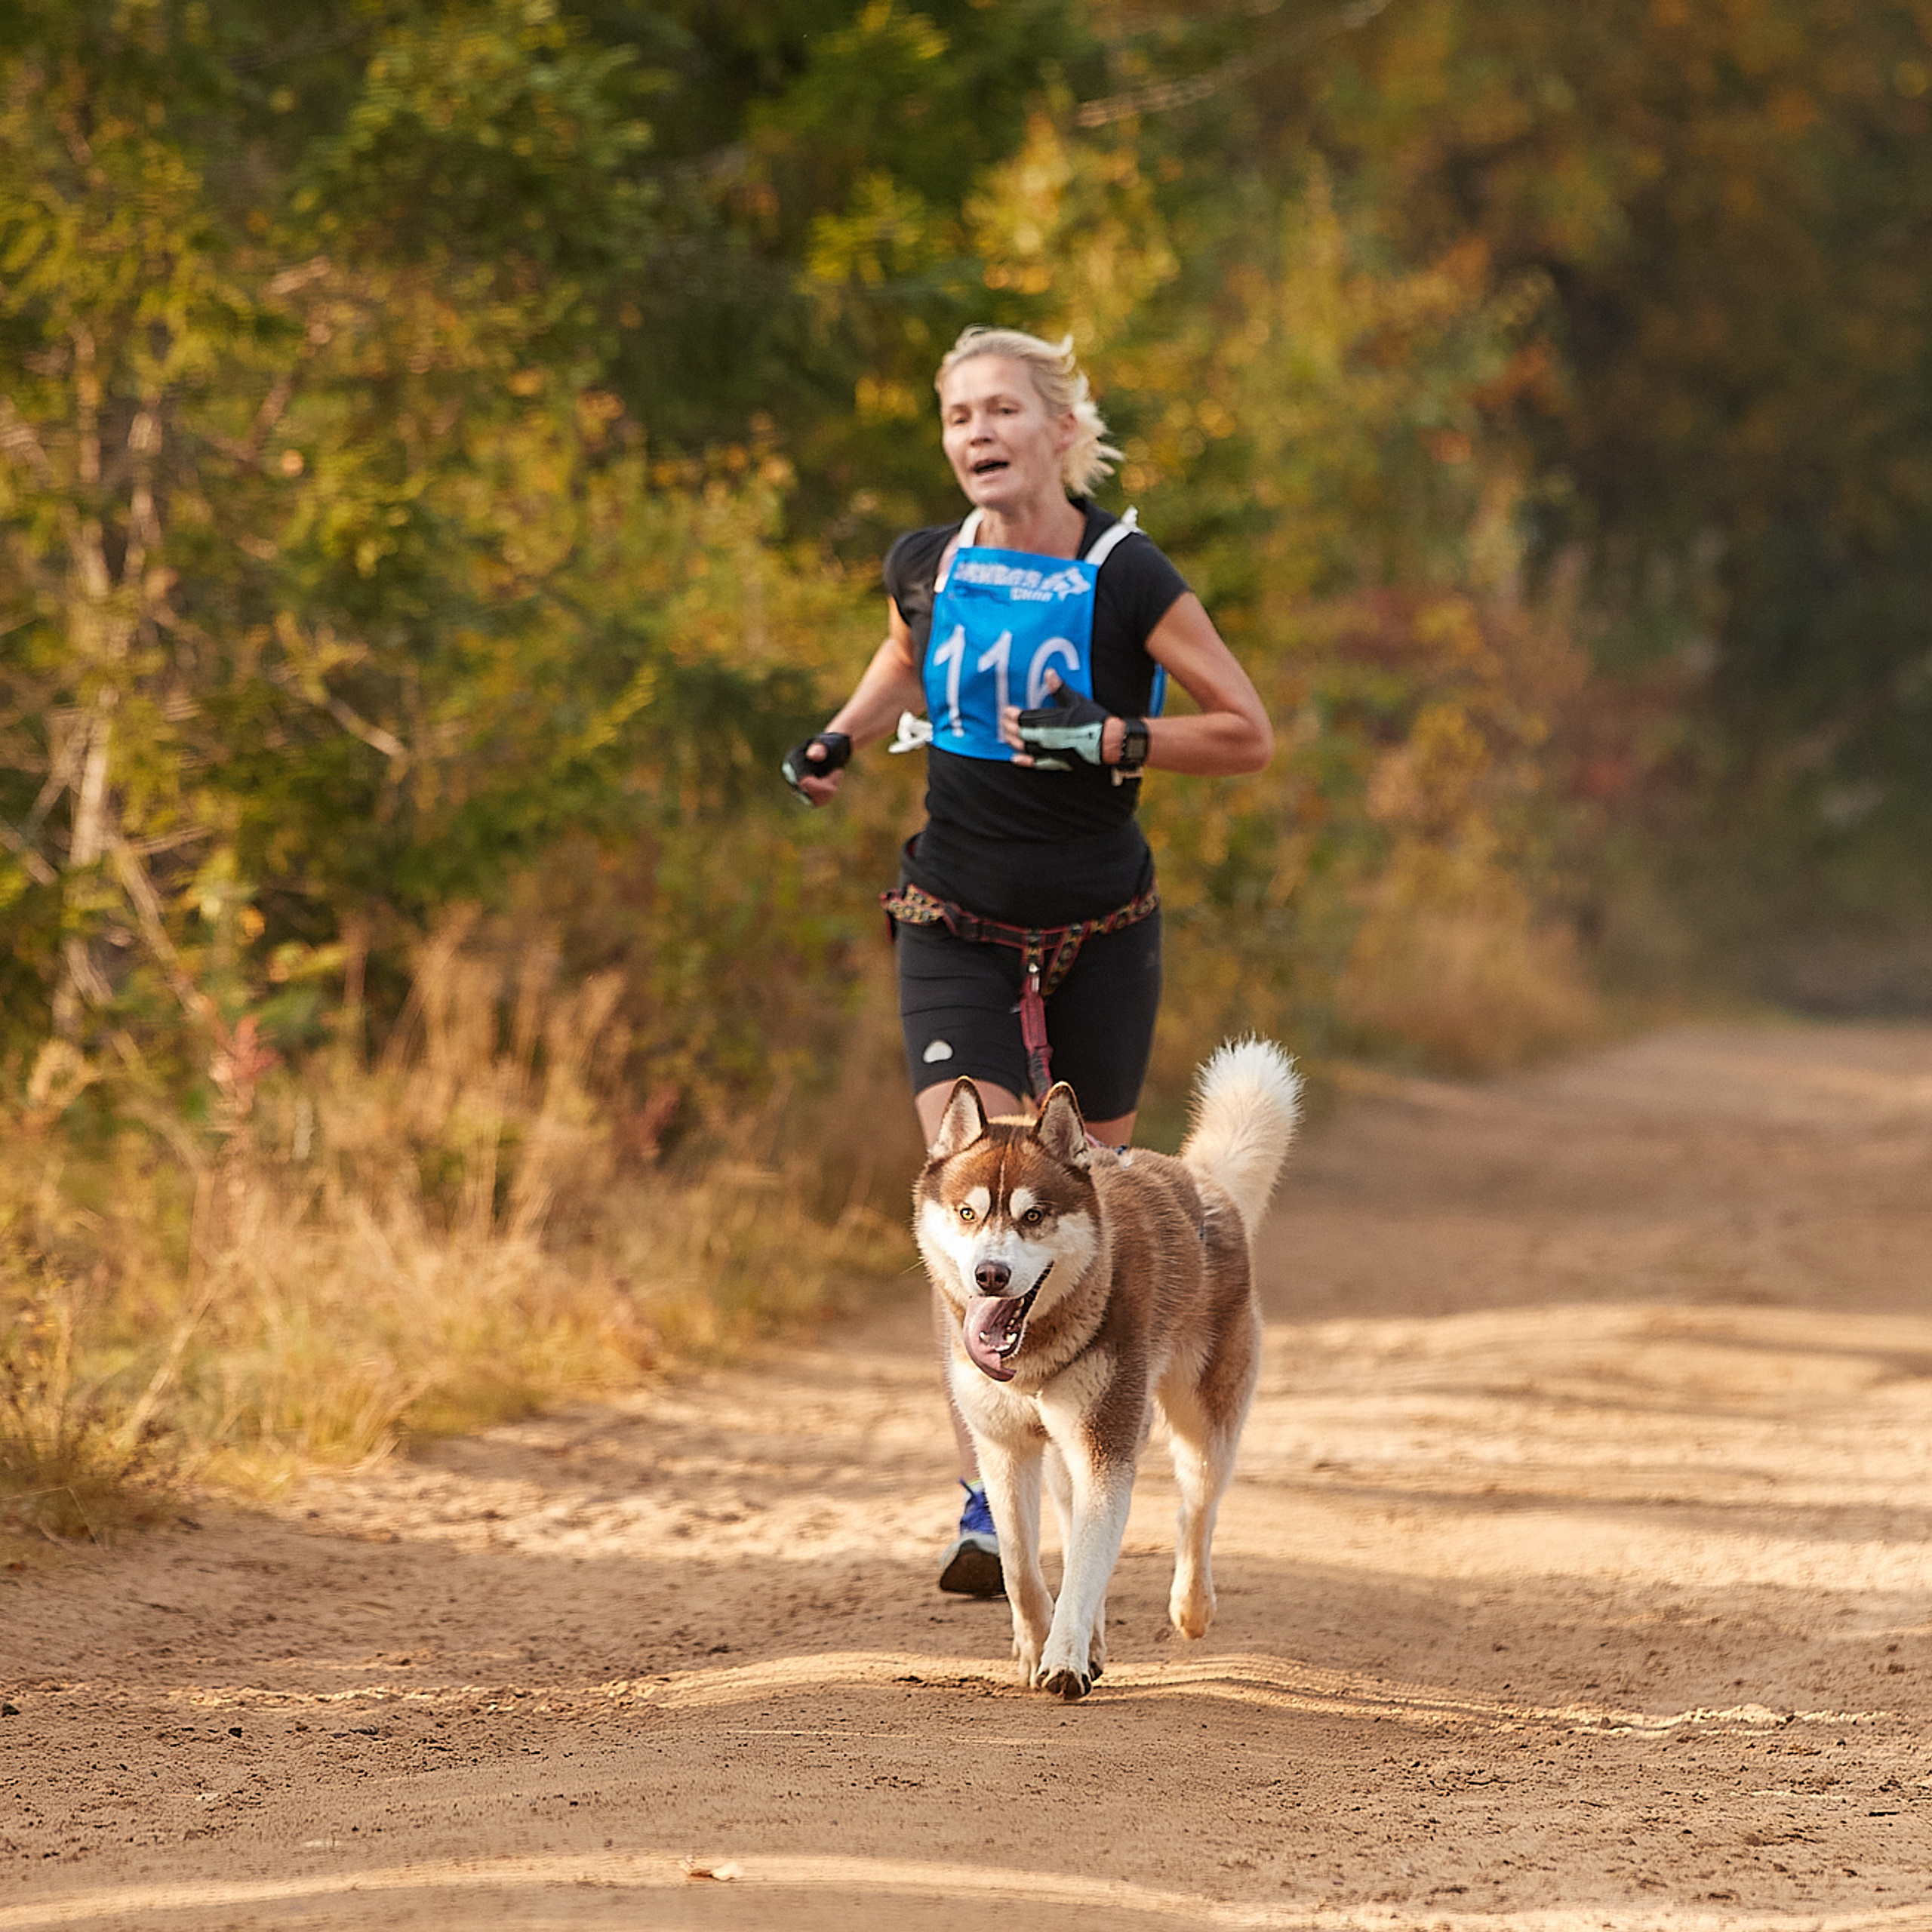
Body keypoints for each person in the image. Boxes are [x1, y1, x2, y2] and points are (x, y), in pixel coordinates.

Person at [783, 325, 1272, 1594]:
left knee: (1072, 1201)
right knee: (978, 1188)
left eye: (1003, 410)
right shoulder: (929, 562)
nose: (978, 435)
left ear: (1063, 429)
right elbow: (906, 653)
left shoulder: (1124, 573)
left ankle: (1086, 1459)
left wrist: (1113, 738)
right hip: (951, 920)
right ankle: (990, 1501)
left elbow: (1244, 732)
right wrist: (840, 739)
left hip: (1101, 931)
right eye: (958, 418)